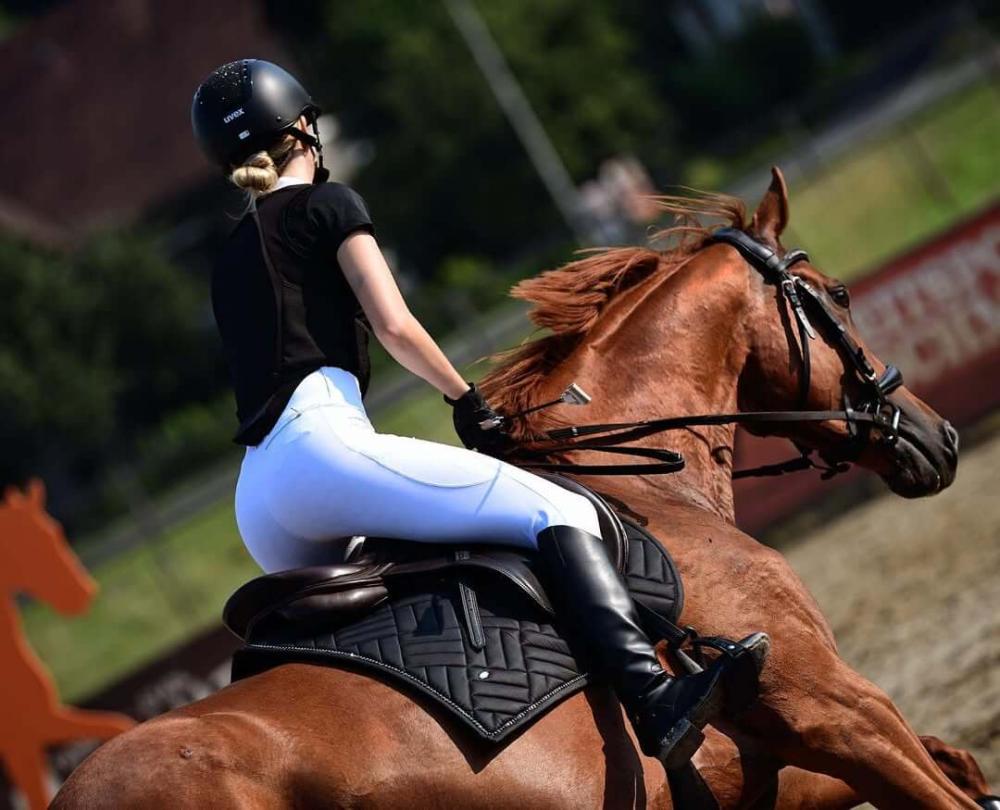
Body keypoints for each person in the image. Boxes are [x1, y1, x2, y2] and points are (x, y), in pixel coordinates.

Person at [192, 59, 759, 769]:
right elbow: (395, 326)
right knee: (561, 515)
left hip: (260, 502)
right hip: (325, 450)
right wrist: (466, 398)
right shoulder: (329, 206)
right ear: (304, 127)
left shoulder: (229, 256)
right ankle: (654, 697)